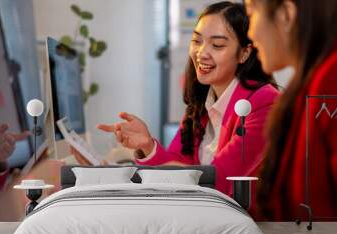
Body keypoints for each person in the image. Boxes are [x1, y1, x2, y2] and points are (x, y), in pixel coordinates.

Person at [94, 1, 279, 196]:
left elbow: (222, 180)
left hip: (253, 223)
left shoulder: (263, 102)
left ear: (244, 53)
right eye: (197, 41)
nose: (201, 53)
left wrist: (175, 173)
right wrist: (147, 146)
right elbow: (176, 161)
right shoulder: (201, 104)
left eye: (217, 45)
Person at [245, 0, 337, 220]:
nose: (250, 33)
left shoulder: (330, 80)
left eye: (252, 12)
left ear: (286, 14)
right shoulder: (308, 82)